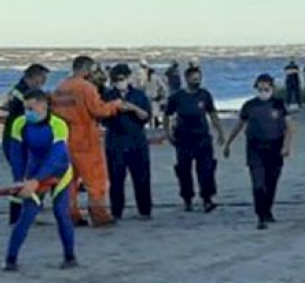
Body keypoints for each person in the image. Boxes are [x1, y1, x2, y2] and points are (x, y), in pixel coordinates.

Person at [2, 90, 78, 270]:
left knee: (61, 213)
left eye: (30, 108)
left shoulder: (58, 125)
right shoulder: (19, 124)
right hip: (34, 171)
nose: (27, 112)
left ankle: (70, 257)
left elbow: (56, 156)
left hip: (59, 172)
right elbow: (17, 155)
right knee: (26, 216)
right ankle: (11, 260)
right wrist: (19, 179)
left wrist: (36, 180)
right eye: (24, 108)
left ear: (43, 105)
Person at [52, 55, 122, 226]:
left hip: (64, 139)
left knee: (68, 182)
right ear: (87, 69)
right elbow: (99, 111)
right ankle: (99, 216)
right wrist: (115, 105)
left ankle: (71, 215)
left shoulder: (60, 88)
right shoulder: (86, 87)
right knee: (95, 180)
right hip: (85, 138)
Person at [225, 73, 293, 230]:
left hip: (275, 148)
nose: (263, 91)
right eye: (260, 88)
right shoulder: (250, 105)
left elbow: (289, 127)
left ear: (272, 88)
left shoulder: (279, 104)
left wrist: (286, 146)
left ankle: (268, 210)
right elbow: (239, 125)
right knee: (258, 184)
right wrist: (228, 143)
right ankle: (260, 216)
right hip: (255, 149)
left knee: (271, 183)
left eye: (266, 88)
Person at [163, 65, 223, 212]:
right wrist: (168, 133)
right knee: (184, 170)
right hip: (183, 138)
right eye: (194, 78)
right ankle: (187, 199)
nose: (197, 81)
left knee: (206, 169)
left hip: (202, 137)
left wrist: (220, 131)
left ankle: (207, 199)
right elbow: (167, 116)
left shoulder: (205, 95)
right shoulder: (177, 97)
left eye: (199, 78)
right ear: (187, 79)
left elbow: (213, 114)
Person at [101, 63, 156, 219]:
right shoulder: (108, 95)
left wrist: (132, 108)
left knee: (142, 178)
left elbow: (146, 116)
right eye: (116, 79)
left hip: (137, 141)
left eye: (122, 78)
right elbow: (101, 116)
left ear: (128, 78)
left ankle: (145, 211)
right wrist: (113, 108)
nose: (120, 82)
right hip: (115, 142)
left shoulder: (139, 95)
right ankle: (116, 212)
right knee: (116, 179)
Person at [0, 63, 50, 224]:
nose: (43, 83)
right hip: (18, 142)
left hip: (20, 140)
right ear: (34, 77)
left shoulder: (20, 92)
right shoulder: (22, 95)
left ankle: (27, 213)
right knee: (23, 179)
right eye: (42, 79)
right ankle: (18, 217)